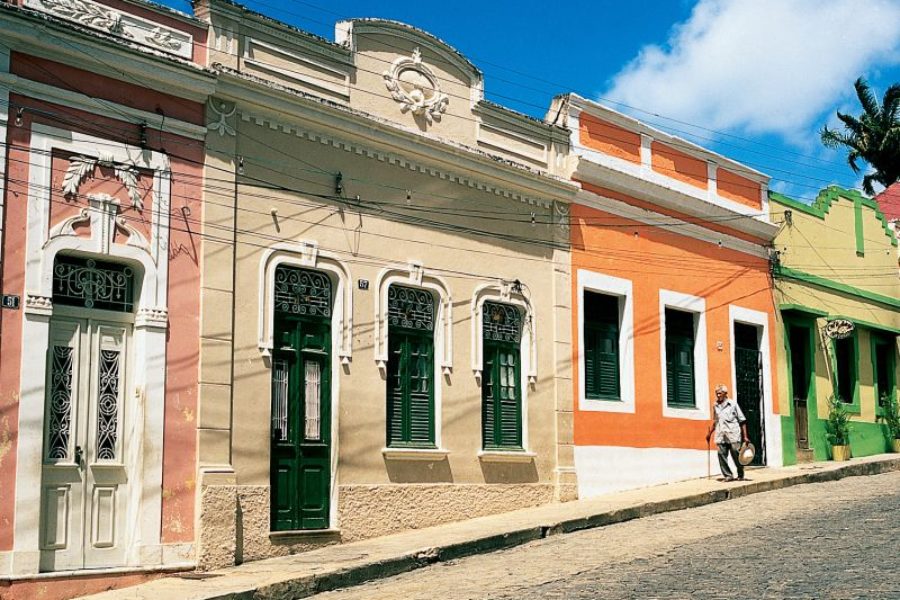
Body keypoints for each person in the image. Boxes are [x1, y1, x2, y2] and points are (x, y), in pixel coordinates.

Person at [706, 384, 750, 481]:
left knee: (736, 454)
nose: (718, 395)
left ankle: (740, 473)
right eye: (716, 394)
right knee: (721, 454)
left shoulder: (733, 404)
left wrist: (745, 436)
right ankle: (728, 475)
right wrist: (710, 434)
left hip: (733, 434)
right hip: (721, 434)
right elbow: (716, 421)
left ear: (725, 394)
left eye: (720, 393)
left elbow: (742, 421)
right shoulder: (715, 405)